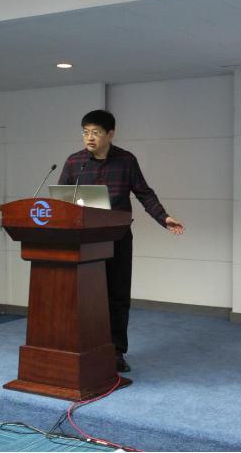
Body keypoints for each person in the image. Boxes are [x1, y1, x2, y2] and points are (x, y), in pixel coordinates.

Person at [58, 110, 185, 372]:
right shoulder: (74, 162)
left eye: (95, 132)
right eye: (85, 132)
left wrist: (164, 218)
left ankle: (115, 352)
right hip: (83, 241)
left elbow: (144, 194)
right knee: (84, 297)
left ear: (110, 134)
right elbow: (60, 200)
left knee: (117, 297)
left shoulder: (126, 161)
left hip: (117, 237)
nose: (89, 138)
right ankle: (83, 348)